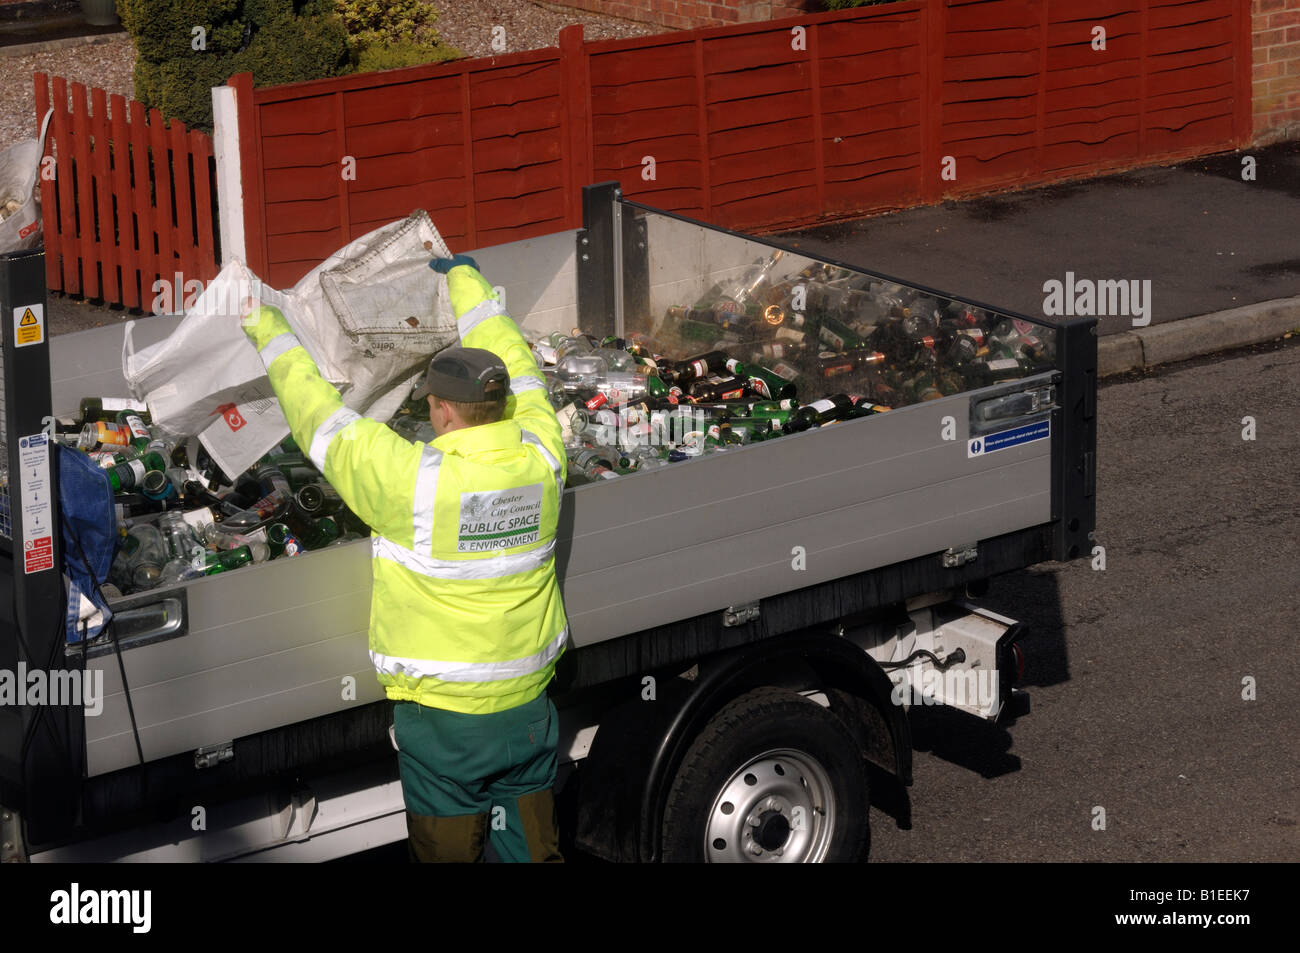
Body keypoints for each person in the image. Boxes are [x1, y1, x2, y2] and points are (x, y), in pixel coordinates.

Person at [241, 255, 568, 862]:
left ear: (441, 409)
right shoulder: (544, 454)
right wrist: (467, 280)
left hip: (444, 727)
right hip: (529, 710)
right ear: (499, 405)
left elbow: (320, 419)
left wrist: (266, 327)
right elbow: (523, 369)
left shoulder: (411, 484)